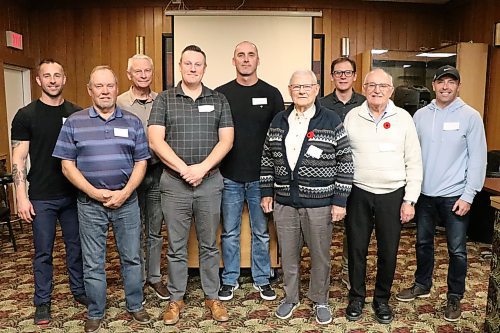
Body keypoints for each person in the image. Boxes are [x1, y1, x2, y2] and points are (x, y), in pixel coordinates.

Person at [53, 66, 151, 333]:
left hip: (127, 202)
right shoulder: (75, 122)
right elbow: (67, 165)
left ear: (117, 88)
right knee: (93, 261)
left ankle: (135, 305)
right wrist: (93, 192)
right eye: (99, 86)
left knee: (132, 257)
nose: (105, 91)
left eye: (109, 86)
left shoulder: (132, 122)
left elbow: (142, 162)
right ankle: (95, 311)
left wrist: (125, 192)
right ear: (90, 90)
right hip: (89, 205)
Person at [148, 45, 234, 325]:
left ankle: (212, 297)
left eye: (198, 64)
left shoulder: (219, 99)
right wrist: (185, 170)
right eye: (188, 63)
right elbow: (155, 141)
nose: (193, 68)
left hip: (209, 183)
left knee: (209, 245)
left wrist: (202, 169)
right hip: (174, 184)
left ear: (205, 68)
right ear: (180, 67)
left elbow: (227, 141)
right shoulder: (164, 99)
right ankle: (176, 299)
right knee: (175, 246)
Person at [260, 69, 353, 325]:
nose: (301, 91)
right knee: (288, 254)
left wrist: (340, 200)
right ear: (290, 90)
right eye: (296, 87)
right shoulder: (279, 120)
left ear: (316, 89)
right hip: (285, 202)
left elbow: (346, 161)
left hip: (320, 203)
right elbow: (267, 158)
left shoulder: (331, 119)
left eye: (306, 87)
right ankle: (290, 297)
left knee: (320, 255)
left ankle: (320, 299)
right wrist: (267, 191)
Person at [396, 65, 487, 322]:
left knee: (457, 250)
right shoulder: (421, 116)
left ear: (458, 86)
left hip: (455, 196)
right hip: (424, 194)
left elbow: (478, 159)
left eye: (451, 82)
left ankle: (454, 296)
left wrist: (469, 195)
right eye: (441, 82)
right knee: (422, 243)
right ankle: (422, 284)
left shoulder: (471, 116)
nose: (446, 86)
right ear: (433, 85)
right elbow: (410, 155)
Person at [10, 59, 88, 325]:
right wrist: (21, 196)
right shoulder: (26, 115)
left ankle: (79, 290)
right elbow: (18, 158)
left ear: (64, 79)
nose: (53, 80)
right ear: (38, 80)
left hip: (73, 195)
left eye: (57, 75)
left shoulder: (77, 113)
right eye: (47, 76)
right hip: (41, 197)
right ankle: (42, 302)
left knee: (76, 248)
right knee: (43, 252)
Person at [343, 68, 422, 324]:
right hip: (359, 191)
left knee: (388, 250)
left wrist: (410, 199)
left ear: (391, 90)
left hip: (393, 194)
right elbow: (342, 158)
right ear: (363, 88)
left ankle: (381, 300)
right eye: (371, 85)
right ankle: (356, 297)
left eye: (383, 86)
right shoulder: (352, 117)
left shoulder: (404, 119)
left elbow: (414, 161)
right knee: (356, 248)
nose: (377, 90)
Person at [215, 41, 284, 301]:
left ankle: (262, 278)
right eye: (240, 55)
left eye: (250, 55)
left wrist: (274, 180)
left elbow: (280, 138)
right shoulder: (221, 95)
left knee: (261, 232)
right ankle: (229, 279)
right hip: (229, 176)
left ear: (258, 60)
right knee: (230, 232)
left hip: (261, 178)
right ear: (233, 61)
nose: (246, 60)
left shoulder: (273, 94)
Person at [116, 54, 169, 300]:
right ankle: (136, 278)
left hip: (158, 173)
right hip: (130, 176)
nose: (144, 75)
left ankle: (155, 277)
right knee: (133, 229)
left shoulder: (162, 100)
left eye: (148, 71)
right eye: (138, 71)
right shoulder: (118, 103)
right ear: (129, 75)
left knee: (155, 229)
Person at [319, 57, 365, 290]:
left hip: (359, 176)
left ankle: (348, 271)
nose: (343, 76)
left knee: (353, 229)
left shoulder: (366, 103)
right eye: (338, 72)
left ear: (355, 76)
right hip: (328, 175)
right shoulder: (321, 104)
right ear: (332, 76)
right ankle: (322, 273)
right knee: (324, 228)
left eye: (348, 72)